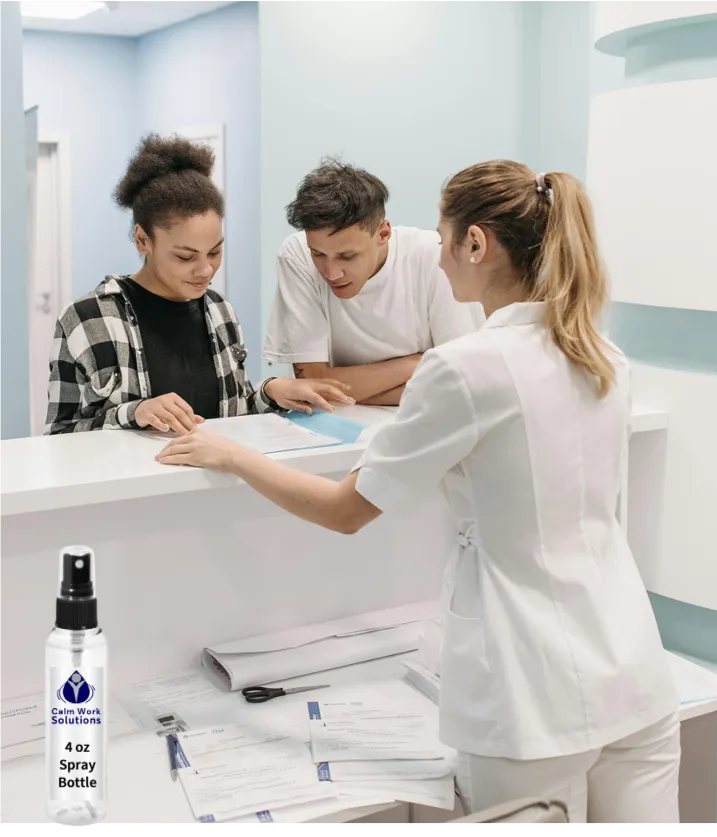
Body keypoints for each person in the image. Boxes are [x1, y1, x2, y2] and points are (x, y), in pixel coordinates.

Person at [157, 160, 681, 824]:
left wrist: (232, 453)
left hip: (530, 694)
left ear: (475, 243)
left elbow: (345, 509)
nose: (433, 256)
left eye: (440, 238)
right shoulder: (603, 354)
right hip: (634, 669)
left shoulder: (466, 368)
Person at [45, 135, 351, 435]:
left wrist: (270, 392)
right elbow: (59, 435)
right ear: (142, 240)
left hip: (213, 484)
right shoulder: (86, 320)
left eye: (215, 252)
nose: (205, 269)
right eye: (185, 256)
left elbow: (230, 412)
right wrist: (134, 413)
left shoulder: (219, 310)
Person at [263, 159, 485, 405]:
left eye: (347, 256)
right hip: (337, 429)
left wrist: (354, 391)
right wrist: (422, 362)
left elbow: (459, 379)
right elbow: (315, 383)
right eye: (319, 254)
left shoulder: (434, 255)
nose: (332, 272)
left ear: (383, 234)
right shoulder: (297, 254)